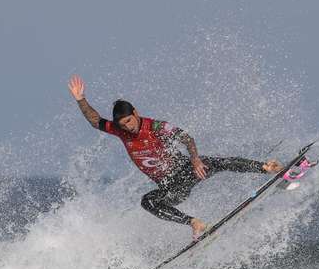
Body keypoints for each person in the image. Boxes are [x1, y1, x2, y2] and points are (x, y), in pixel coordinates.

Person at [67, 75, 285, 239]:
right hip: (170, 187)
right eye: (123, 125)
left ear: (135, 113)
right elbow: (96, 121)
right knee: (148, 202)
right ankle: (194, 223)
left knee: (220, 162)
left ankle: (266, 167)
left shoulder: (155, 126)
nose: (128, 128)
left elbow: (185, 137)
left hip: (185, 169)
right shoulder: (120, 130)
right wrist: (81, 99)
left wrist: (195, 159)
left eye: (129, 121)